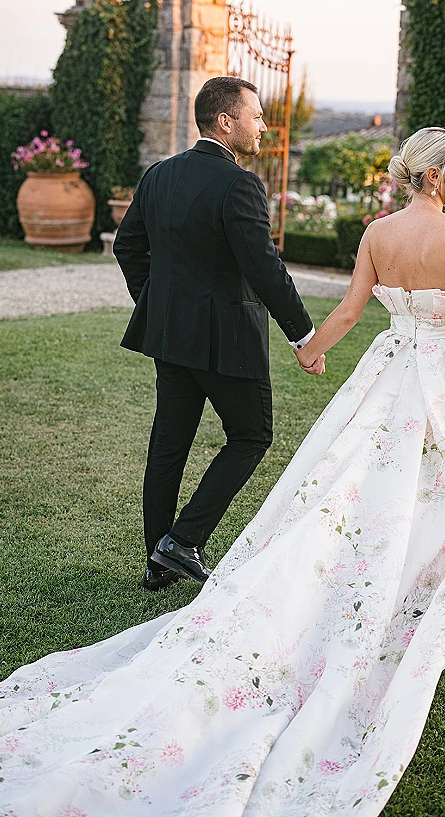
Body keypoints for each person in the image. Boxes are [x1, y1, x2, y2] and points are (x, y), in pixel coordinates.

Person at [0, 127, 445, 816]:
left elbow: (352, 311)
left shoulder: (378, 234)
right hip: (443, 376)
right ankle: (416, 588)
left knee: (357, 489)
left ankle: (380, 581)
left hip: (387, 373)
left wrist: (310, 348)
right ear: (440, 174)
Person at [113, 76, 323, 594]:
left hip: (169, 336)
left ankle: (158, 563)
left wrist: (159, 305)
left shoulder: (158, 175)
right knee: (252, 435)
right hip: (228, 340)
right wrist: (304, 336)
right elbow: (266, 268)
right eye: (255, 116)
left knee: (169, 444)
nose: (263, 126)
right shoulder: (240, 184)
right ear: (226, 123)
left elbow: (126, 247)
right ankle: (182, 543)